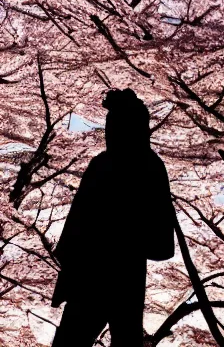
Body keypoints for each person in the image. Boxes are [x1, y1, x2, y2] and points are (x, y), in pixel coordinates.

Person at [50, 89, 176, 347]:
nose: (109, 132)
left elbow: (76, 226)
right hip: (114, 276)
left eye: (115, 125)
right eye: (109, 125)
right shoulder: (148, 166)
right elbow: (161, 243)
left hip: (99, 275)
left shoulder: (114, 165)